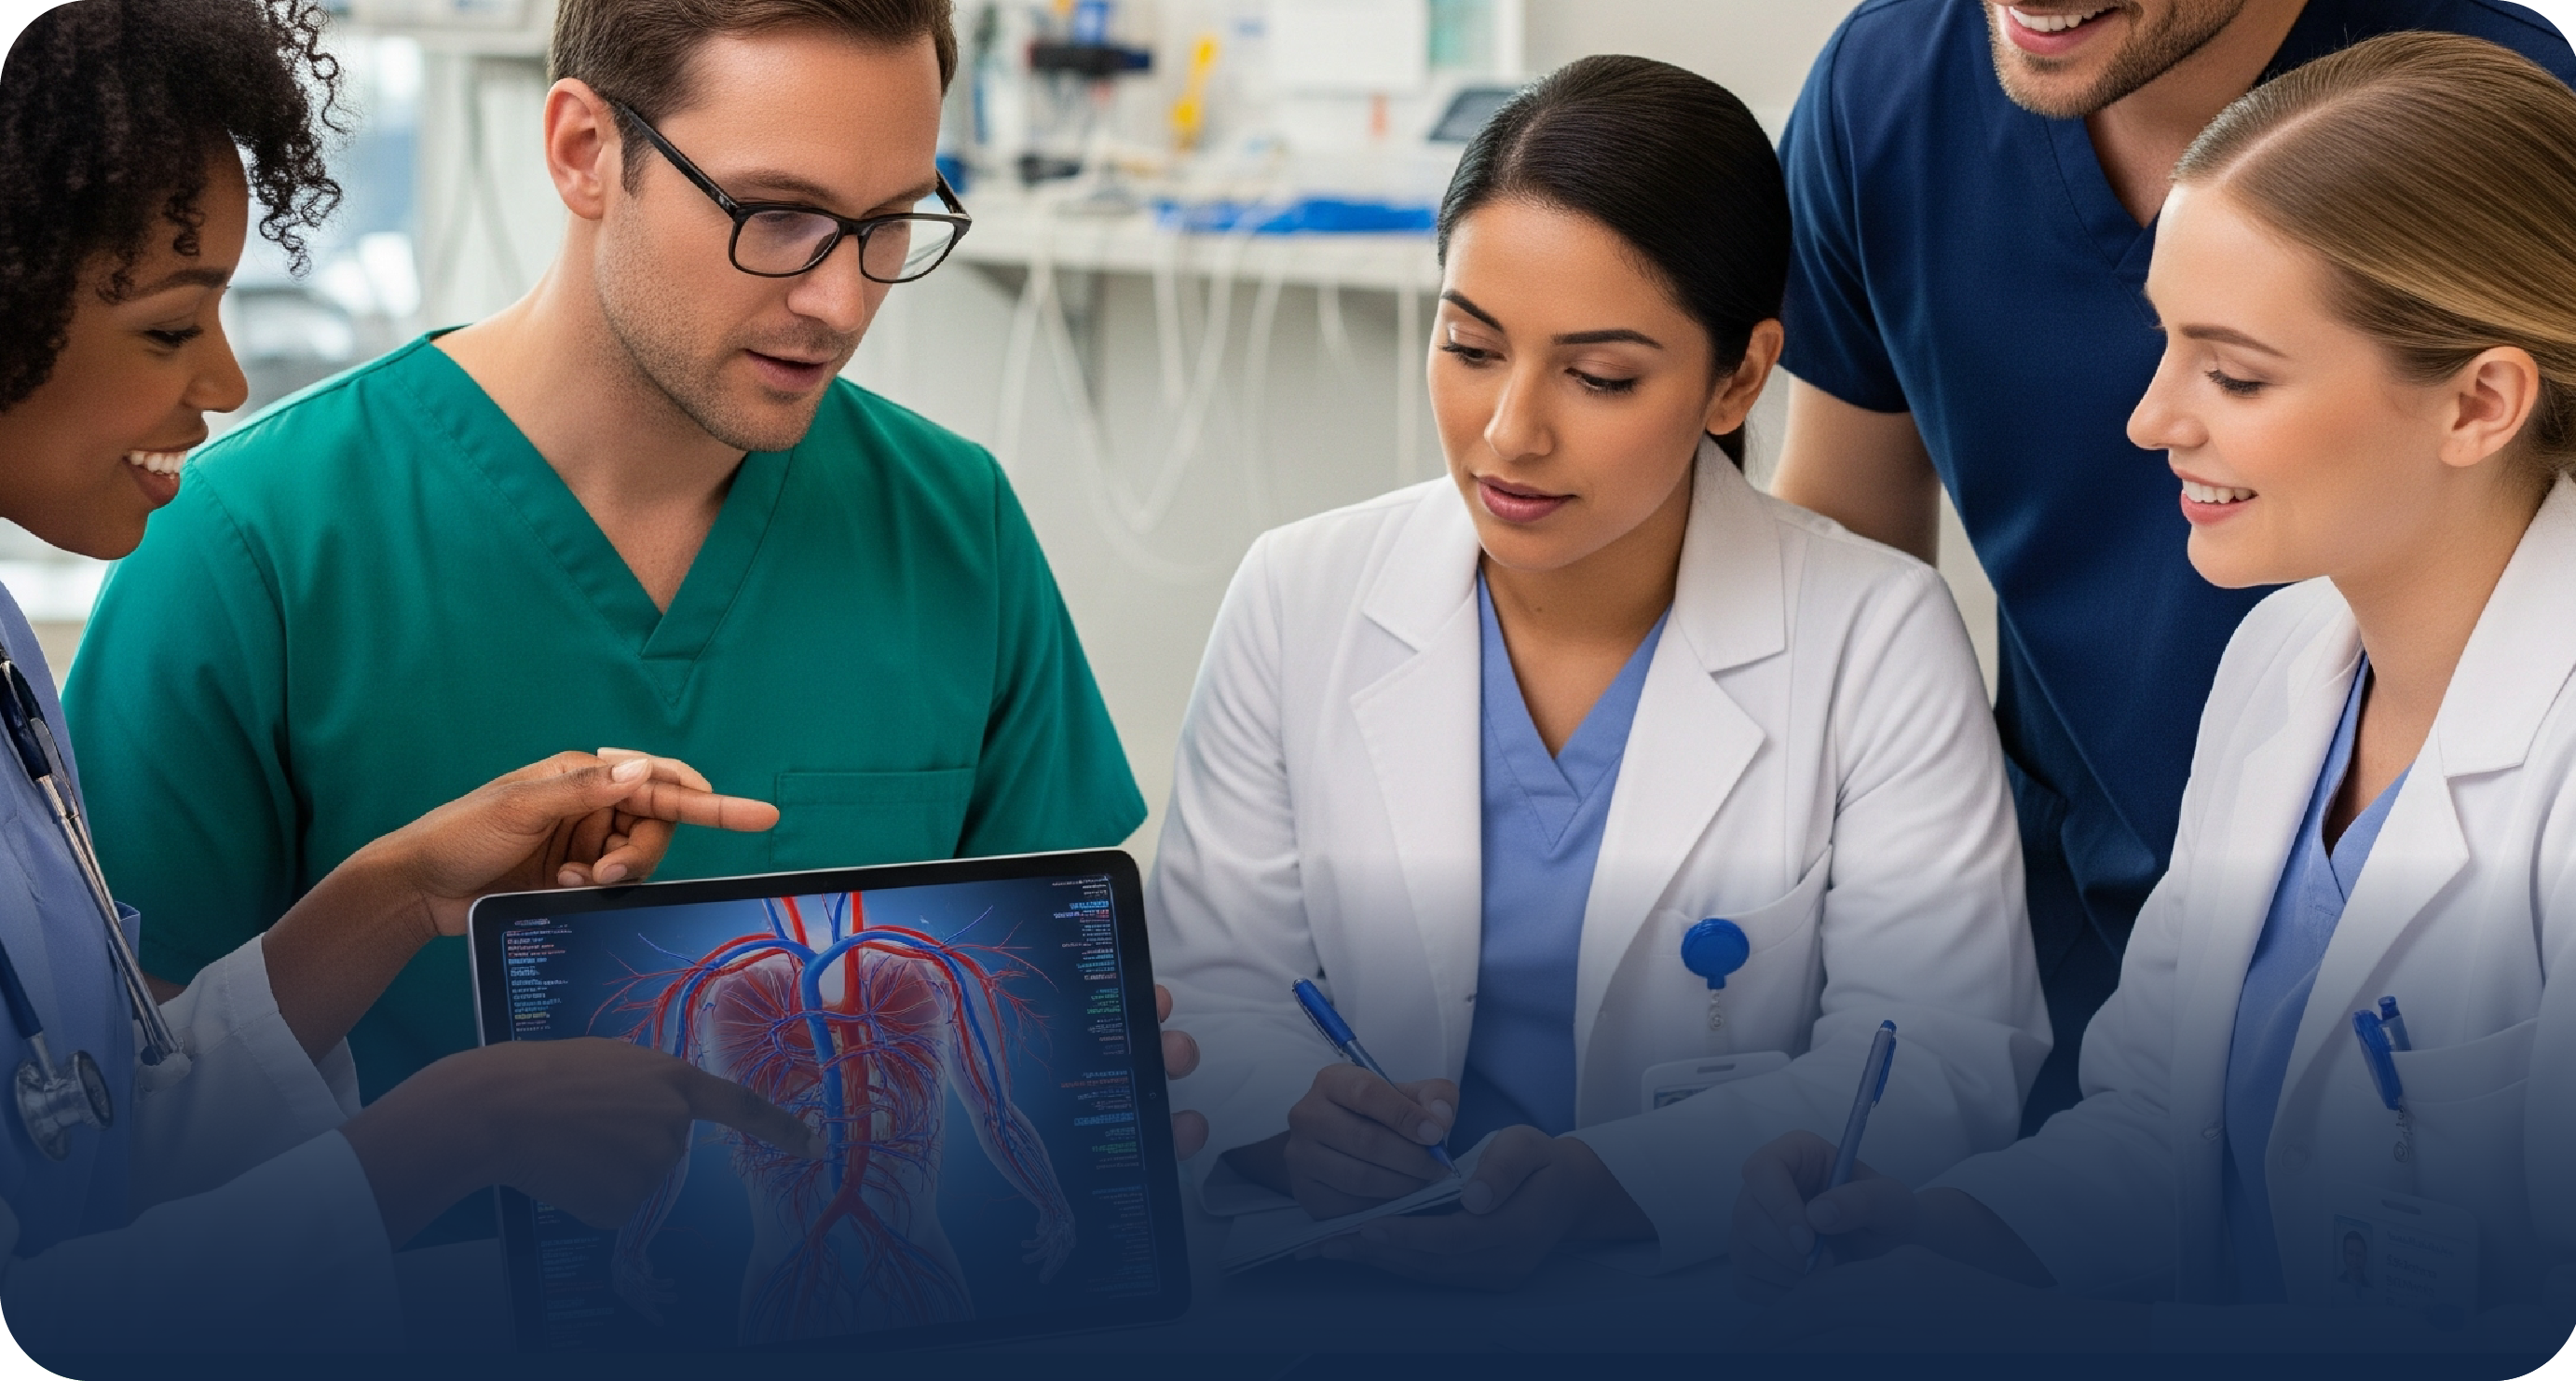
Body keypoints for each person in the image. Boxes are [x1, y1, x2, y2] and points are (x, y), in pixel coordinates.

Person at [0, 1, 1206, 1360]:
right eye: (781, 216)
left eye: (891, 226)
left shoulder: (955, 526)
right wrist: (452, 1121)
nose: (843, 298)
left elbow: (1047, 1018)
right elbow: (122, 1173)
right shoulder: (241, 547)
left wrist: (1098, 1093)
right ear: (584, 149)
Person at [1734, 34, 2576, 1345]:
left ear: (2479, 402)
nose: (2150, 420)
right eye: (2166, 346)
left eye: (2233, 373)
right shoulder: (2280, 669)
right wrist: (1939, 1228)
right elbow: (2154, 1132)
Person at [0, 0, 819, 1357]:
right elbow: (39, 1328)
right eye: (165, 328)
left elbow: (97, 1135)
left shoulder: (12, 669)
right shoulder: (255, 539)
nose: (226, 376)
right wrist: (447, 1138)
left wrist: (403, 892)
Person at [1150, 55, 2048, 1289]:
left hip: (1708, 1290)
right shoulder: (1299, 594)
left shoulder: (1875, 635)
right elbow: (1208, 987)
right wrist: (1295, 1122)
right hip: (1349, 1273)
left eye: (1600, 376)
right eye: (1471, 346)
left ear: (1738, 375)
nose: (1511, 429)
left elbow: (1939, 1055)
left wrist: (1618, 1182)